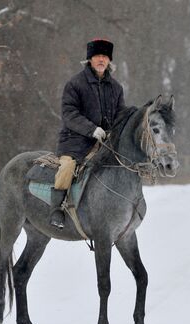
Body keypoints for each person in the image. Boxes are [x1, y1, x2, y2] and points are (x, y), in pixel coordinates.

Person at [50, 38, 126, 229]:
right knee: (67, 167)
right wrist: (92, 130)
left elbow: (120, 115)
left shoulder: (116, 88)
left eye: (104, 57)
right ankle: (56, 209)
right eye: (97, 56)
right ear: (89, 60)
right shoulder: (75, 84)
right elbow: (69, 114)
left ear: (109, 60)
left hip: (104, 143)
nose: (101, 60)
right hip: (75, 141)